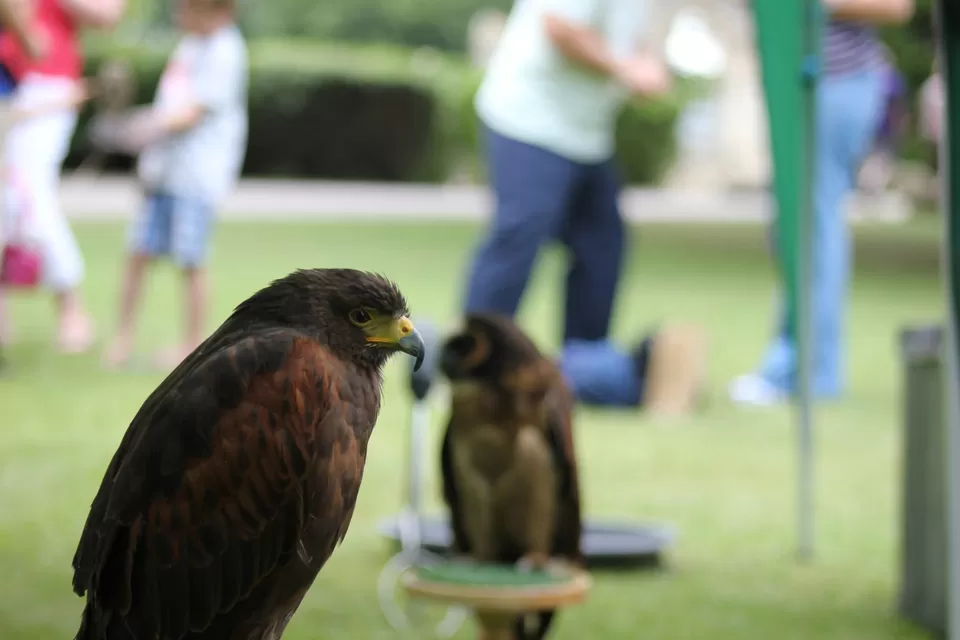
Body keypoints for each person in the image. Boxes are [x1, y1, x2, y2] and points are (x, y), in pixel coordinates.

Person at [461, 0, 706, 413]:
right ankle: (473, 364)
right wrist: (625, 70)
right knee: (518, 238)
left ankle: (582, 371)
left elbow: (631, 39)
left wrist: (644, 63)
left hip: (585, 137)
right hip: (528, 123)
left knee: (602, 246)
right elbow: (559, 27)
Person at [729, 0, 915, 407]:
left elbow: (898, 6)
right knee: (796, 228)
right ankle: (794, 366)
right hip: (793, 80)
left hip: (835, 83)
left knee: (813, 226)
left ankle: (811, 372)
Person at [104, 0, 247, 370]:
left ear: (220, 11)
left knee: (191, 258)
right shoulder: (190, 44)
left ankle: (191, 344)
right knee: (138, 251)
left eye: (189, 8)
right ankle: (123, 337)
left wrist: (140, 127)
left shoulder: (226, 51)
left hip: (196, 177)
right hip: (163, 171)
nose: (180, 13)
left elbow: (191, 113)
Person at [0, 0, 124, 354]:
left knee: (30, 196)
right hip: (13, 80)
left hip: (45, 83)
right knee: (9, 203)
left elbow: (108, 15)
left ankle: (72, 309)